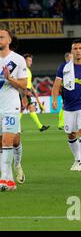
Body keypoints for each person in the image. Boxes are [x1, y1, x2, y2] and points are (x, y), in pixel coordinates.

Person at [52, 40, 81, 172]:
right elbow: (56, 85)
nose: (77, 50)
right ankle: (77, 159)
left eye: (80, 48)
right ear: (72, 51)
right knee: (71, 135)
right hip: (68, 106)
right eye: (75, 48)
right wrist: (54, 99)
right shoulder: (63, 68)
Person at [0, 29, 28, 191]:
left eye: (2, 36)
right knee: (4, 143)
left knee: (8, 141)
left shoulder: (17, 60)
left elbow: (24, 85)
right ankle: (9, 178)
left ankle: (4, 178)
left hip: (11, 106)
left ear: (10, 40)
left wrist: (9, 78)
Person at [22, 54, 50, 132]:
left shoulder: (27, 70)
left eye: (31, 61)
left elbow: (28, 82)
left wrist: (33, 90)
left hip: (26, 91)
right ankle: (15, 127)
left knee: (30, 108)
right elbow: (21, 81)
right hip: (23, 92)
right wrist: (26, 91)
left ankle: (40, 126)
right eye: (29, 60)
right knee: (23, 109)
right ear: (24, 61)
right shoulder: (23, 70)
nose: (31, 62)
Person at [58, 52, 74, 130]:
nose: (72, 58)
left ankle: (63, 123)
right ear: (66, 58)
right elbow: (59, 79)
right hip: (66, 89)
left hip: (70, 88)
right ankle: (61, 124)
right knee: (65, 106)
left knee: (66, 105)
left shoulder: (71, 66)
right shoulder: (64, 66)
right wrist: (61, 86)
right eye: (71, 57)